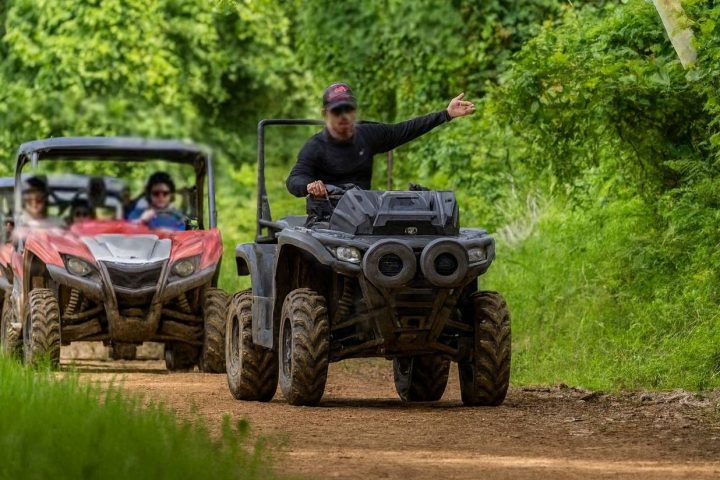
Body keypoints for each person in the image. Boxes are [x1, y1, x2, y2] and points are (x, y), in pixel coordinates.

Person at [286, 83, 476, 198]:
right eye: (337, 111)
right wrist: (310, 186)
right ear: (325, 114)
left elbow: (404, 130)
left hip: (362, 213)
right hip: (325, 217)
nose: (343, 116)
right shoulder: (315, 146)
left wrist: (446, 114)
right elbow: (294, 180)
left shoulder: (367, 134)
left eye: (348, 109)